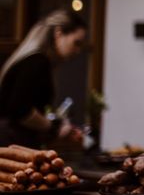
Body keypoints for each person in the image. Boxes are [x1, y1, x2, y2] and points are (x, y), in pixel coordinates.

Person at [0, 9, 87, 148]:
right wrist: (55, 127)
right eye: (76, 43)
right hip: (12, 144)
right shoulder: (37, 62)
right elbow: (20, 110)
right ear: (59, 33)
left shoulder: (33, 60)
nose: (77, 50)